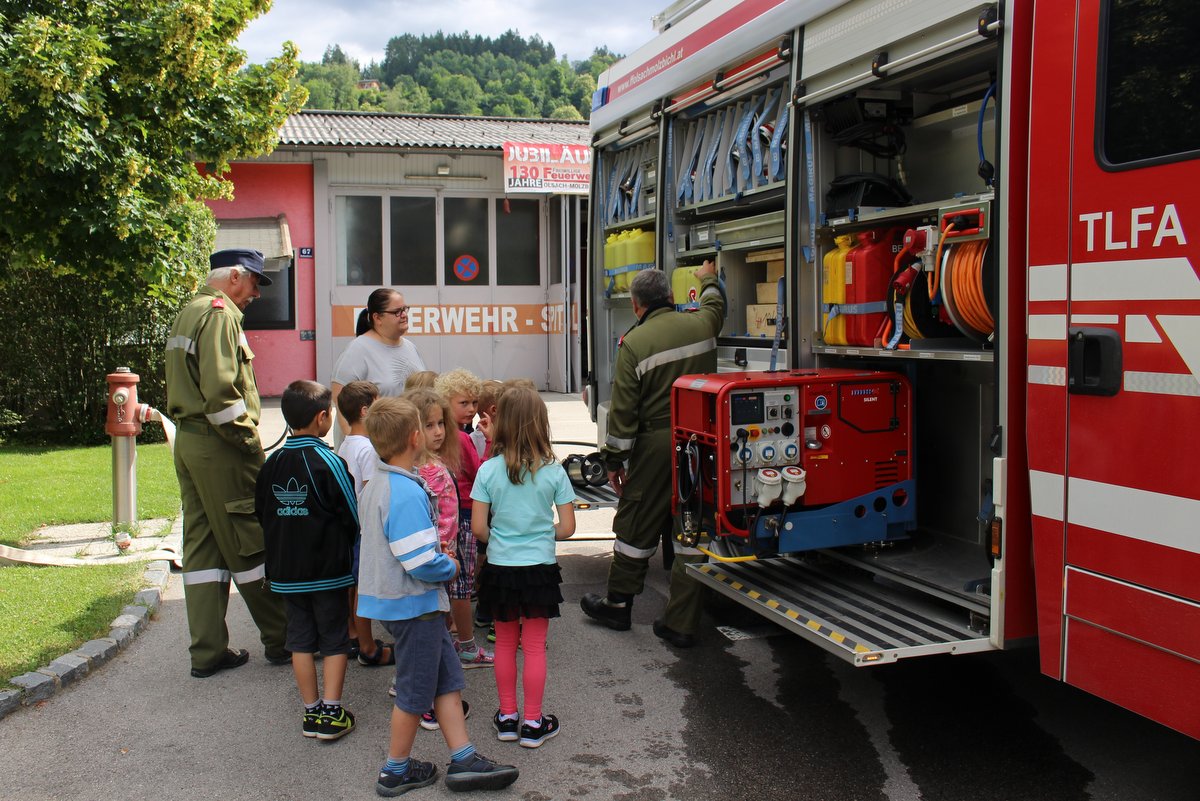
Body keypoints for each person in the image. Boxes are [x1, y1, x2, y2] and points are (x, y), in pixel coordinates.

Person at [357, 397, 518, 796]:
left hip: (407, 604)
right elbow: (419, 562)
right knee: (414, 692)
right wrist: (449, 566)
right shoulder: (405, 491)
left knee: (446, 679)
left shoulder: (379, 483)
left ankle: (464, 758)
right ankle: (395, 770)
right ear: (415, 438)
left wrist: (433, 556)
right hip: (414, 606)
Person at [580, 259, 725, 648]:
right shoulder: (703, 324)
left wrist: (613, 461)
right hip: (704, 443)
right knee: (692, 530)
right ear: (671, 296)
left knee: (636, 524)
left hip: (658, 445)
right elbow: (715, 304)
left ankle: (617, 605)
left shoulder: (635, 343)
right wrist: (708, 277)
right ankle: (681, 623)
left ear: (636, 305)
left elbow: (624, 414)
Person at [165, 247, 288, 678]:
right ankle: (283, 638)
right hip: (222, 447)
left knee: (203, 548)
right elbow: (221, 395)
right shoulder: (220, 315)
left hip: (191, 441)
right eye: (254, 282)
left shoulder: (191, 310)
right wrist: (250, 443)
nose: (257, 293)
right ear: (235, 276)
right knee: (249, 541)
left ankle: (208, 651)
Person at [470, 387, 576, 749]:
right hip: (539, 570)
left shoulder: (488, 470)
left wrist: (503, 537)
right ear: (540, 423)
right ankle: (533, 722)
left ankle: (507, 717)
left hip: (501, 568)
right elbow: (567, 528)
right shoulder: (554, 471)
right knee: (533, 647)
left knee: (504, 644)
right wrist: (540, 534)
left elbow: (479, 528)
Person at [255, 381, 359, 741]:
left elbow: (261, 513)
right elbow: (351, 513)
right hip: (328, 572)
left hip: (286, 572)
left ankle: (311, 711)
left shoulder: (272, 463)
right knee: (334, 639)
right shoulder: (330, 461)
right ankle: (332, 712)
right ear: (322, 417)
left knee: (299, 640)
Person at [433, 368, 492, 667]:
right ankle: (467, 646)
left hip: (444, 515)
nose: (471, 409)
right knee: (463, 584)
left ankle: (444, 641)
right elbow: (482, 473)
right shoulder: (462, 438)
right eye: (464, 403)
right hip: (466, 512)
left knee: (447, 582)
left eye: (474, 403)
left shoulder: (441, 436)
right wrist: (491, 442)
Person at [335, 380, 393, 667]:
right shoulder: (368, 449)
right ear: (365, 411)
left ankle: (353, 631)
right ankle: (366, 644)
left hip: (349, 524)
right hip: (364, 528)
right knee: (363, 587)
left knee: (353, 586)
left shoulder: (346, 444)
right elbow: (372, 492)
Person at [332, 288, 425, 437]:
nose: (404, 315)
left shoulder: (410, 347)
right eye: (397, 312)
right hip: (374, 444)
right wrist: (358, 443)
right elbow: (340, 400)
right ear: (377, 318)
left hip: (406, 441)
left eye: (405, 309)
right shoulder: (358, 349)